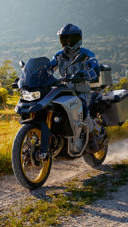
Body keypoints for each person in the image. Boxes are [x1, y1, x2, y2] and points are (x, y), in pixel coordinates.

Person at [49, 23, 102, 152]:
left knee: (82, 110)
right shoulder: (59, 55)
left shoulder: (87, 54)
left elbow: (95, 67)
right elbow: (49, 68)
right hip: (65, 90)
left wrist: (87, 73)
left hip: (82, 90)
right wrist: (39, 72)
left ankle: (91, 137)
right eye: (63, 40)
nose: (67, 43)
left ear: (78, 39)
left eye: (70, 40)